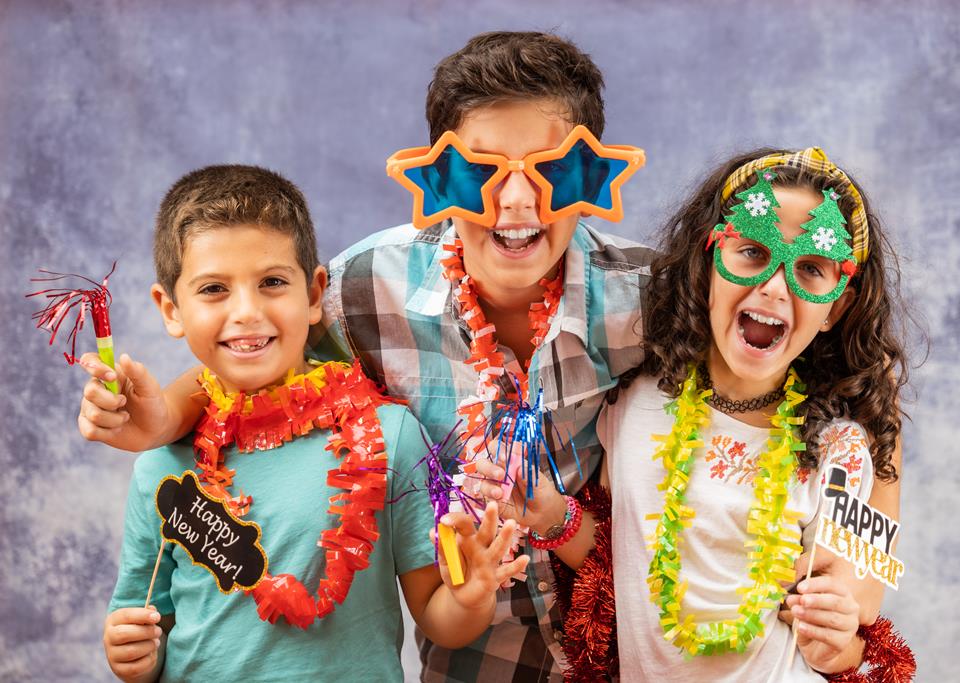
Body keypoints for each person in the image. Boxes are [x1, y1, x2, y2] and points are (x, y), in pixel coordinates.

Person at [79, 32, 655, 680]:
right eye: (480, 170)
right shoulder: (365, 287)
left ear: (590, 176)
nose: (516, 201)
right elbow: (257, 354)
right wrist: (162, 420)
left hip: (631, 657)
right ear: (438, 178)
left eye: (550, 168)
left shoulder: (651, 302)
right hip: (475, 663)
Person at [98, 164, 528, 682]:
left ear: (313, 294)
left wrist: (471, 596)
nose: (247, 312)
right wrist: (130, 657)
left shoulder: (389, 437)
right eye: (214, 289)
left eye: (272, 282)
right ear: (170, 309)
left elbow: (440, 622)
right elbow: (146, 625)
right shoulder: (162, 465)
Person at [597, 148, 912, 680]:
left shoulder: (843, 449)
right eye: (751, 251)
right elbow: (608, 549)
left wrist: (838, 636)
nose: (773, 285)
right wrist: (544, 515)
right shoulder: (636, 401)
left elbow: (859, 607)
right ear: (708, 263)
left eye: (811, 268)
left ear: (835, 308)